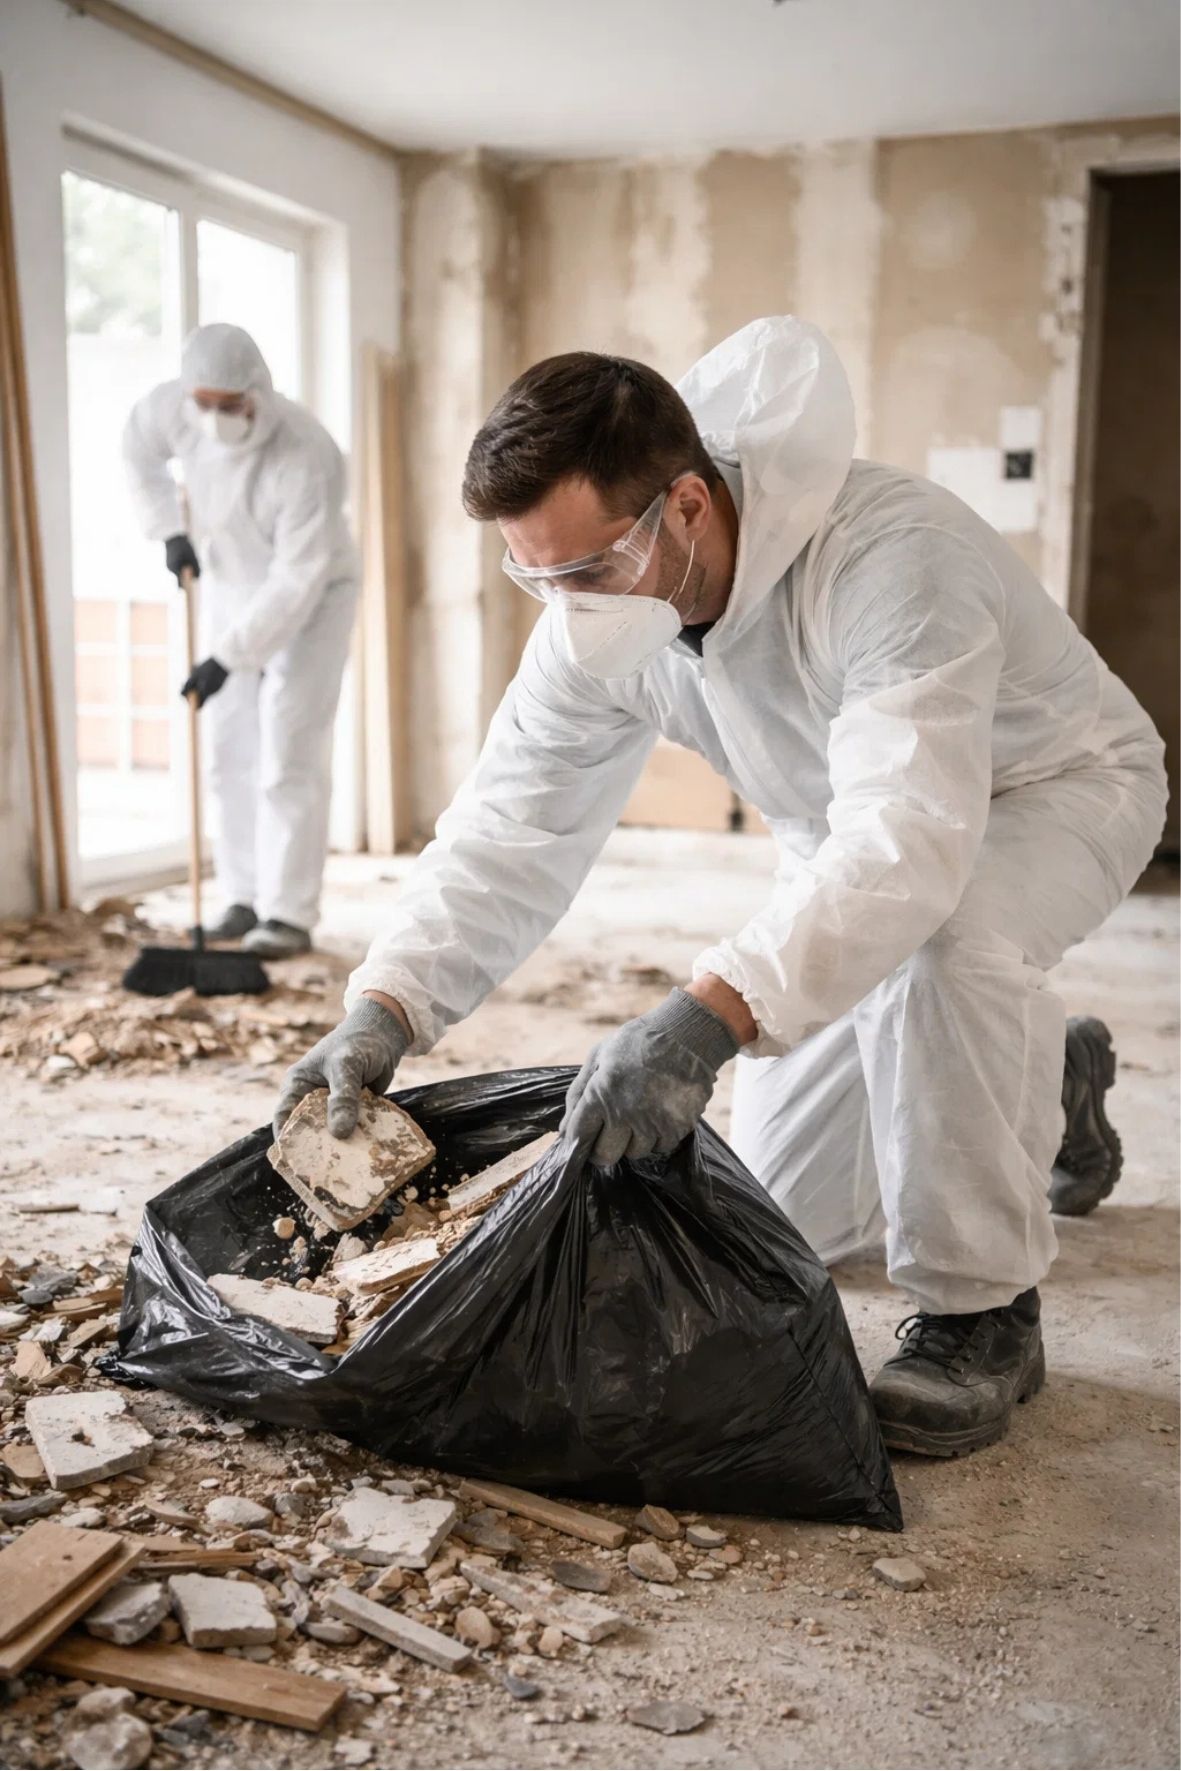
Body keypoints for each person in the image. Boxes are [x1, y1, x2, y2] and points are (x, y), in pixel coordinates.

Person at [274, 317, 1166, 1456]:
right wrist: (386, 1004)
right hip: (848, 833)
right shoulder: (599, 619)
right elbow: (511, 825)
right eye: (535, 576)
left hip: (1050, 790)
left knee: (949, 951)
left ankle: (980, 1316)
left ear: (686, 504)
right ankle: (1045, 1078)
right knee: (791, 1217)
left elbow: (910, 840)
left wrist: (705, 1018)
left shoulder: (892, 556)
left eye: (587, 568)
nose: (569, 602)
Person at [123, 323, 359, 958]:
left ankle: (288, 913)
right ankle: (243, 897)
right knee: (228, 748)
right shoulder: (172, 410)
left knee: (288, 747)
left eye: (228, 405)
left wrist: (228, 657)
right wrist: (169, 530)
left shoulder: (308, 452)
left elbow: (297, 577)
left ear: (258, 392)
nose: (214, 417)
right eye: (203, 403)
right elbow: (137, 450)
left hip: (315, 597)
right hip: (230, 584)